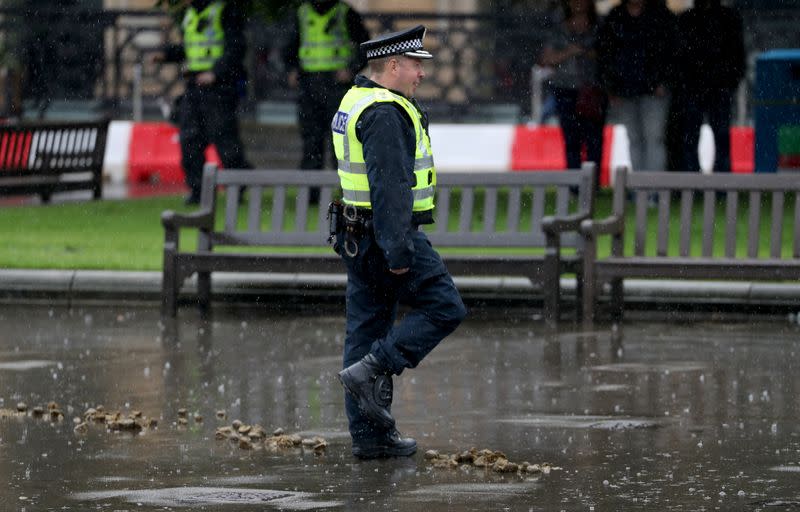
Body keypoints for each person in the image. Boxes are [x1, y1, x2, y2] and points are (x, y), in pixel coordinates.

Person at [330, 25, 467, 459]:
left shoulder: (356, 99)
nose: (421, 74)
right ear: (393, 65)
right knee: (445, 306)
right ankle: (374, 370)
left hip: (358, 235)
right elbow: (390, 187)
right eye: (415, 65)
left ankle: (370, 438)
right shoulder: (385, 112)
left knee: (365, 328)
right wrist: (399, 251)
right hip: (385, 235)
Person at [155, 0, 250, 205]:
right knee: (189, 139)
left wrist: (215, 73)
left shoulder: (224, 11)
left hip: (220, 88)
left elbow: (236, 48)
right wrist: (167, 54)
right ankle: (198, 190)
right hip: (194, 88)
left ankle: (237, 188)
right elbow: (189, 48)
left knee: (225, 140)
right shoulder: (190, 14)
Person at [283, 0, 370, 201]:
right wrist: (292, 70)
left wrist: (351, 69)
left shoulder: (345, 13)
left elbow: (365, 46)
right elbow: (289, 47)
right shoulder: (302, 13)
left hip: (336, 87)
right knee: (311, 141)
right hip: (309, 85)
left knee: (341, 142)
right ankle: (311, 194)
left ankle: (348, 191)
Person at [597, 0, 679, 172]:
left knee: (654, 138)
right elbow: (605, 53)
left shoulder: (660, 16)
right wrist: (611, 86)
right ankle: (639, 188)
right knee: (634, 139)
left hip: (655, 91)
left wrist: (663, 80)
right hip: (625, 90)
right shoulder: (616, 16)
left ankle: (654, 191)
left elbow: (673, 51)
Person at [679, 0, 745, 173]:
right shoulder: (688, 19)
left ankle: (717, 181)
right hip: (697, 86)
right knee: (692, 137)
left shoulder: (727, 18)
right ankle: (694, 180)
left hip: (717, 86)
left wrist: (731, 79)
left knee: (719, 136)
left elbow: (737, 53)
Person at [539, 0, 606, 171]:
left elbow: (608, 55)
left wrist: (587, 53)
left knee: (594, 139)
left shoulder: (600, 26)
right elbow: (546, 59)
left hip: (593, 89)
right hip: (565, 88)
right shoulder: (558, 28)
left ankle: (592, 184)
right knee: (571, 139)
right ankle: (574, 182)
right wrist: (569, 51)